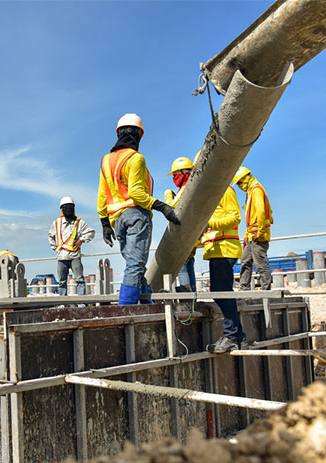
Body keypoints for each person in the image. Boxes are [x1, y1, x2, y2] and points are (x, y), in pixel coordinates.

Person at [97, 113, 180, 305]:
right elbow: (135, 193)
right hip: (136, 216)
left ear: (118, 134)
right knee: (135, 265)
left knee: (135, 265)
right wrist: (162, 207)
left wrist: (104, 223)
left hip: (116, 220)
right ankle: (124, 310)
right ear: (139, 135)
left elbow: (102, 196)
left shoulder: (105, 161)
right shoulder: (136, 158)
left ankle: (147, 304)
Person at [203, 185, 248, 353]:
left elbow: (235, 217)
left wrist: (208, 223)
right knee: (219, 293)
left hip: (224, 248)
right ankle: (239, 336)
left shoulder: (223, 190)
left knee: (222, 293)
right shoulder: (211, 194)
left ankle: (231, 336)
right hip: (217, 249)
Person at [232, 166, 274, 290]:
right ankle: (244, 289)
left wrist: (260, 231)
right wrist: (246, 234)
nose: (239, 186)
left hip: (258, 234)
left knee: (260, 263)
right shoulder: (250, 191)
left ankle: (266, 290)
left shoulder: (256, 190)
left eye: (239, 183)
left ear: (245, 179)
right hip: (251, 234)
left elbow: (260, 212)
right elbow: (250, 217)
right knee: (245, 261)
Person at [48, 196, 95, 295]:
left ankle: (81, 302)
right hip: (61, 257)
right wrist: (56, 248)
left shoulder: (79, 222)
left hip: (75, 256)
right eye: (66, 207)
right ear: (62, 209)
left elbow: (90, 232)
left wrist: (81, 240)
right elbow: (51, 236)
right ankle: (63, 303)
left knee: (80, 280)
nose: (69, 209)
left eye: (71, 207)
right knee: (62, 281)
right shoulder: (57, 222)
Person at [165, 157, 197, 293]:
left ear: (183, 173)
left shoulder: (185, 188)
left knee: (182, 267)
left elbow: (172, 208)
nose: (174, 178)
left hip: (184, 236)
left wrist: (167, 196)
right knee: (189, 266)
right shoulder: (192, 186)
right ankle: (193, 300)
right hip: (190, 234)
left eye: (175, 175)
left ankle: (187, 302)